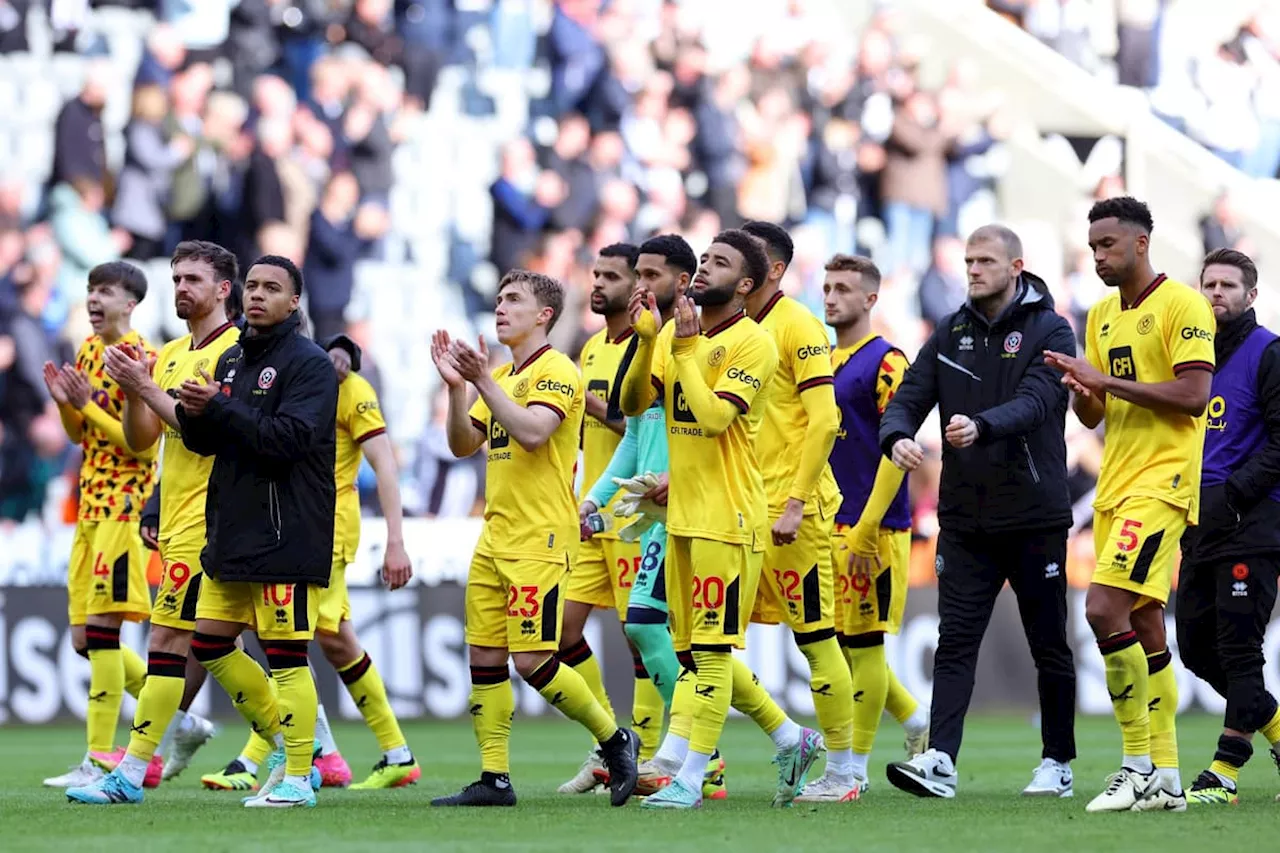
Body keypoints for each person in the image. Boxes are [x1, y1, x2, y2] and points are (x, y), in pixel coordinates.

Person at [618, 230, 823, 810]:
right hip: (679, 514)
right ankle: (791, 737)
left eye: (720, 263)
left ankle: (691, 777)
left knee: (707, 654)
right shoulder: (674, 337)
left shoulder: (751, 343)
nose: (704, 268)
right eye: (704, 258)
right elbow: (634, 405)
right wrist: (642, 343)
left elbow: (710, 419)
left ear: (748, 284)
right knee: (693, 656)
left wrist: (679, 350)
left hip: (729, 518)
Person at [880, 224, 1078, 799]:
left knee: (1048, 643)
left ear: (1017, 267)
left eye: (985, 261)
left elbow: (1041, 402)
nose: (973, 270)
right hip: (965, 519)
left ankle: (1058, 762)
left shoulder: (1051, 328)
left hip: (1034, 514)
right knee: (956, 640)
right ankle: (939, 759)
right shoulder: (951, 330)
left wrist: (982, 425)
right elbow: (909, 397)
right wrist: (896, 437)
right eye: (968, 260)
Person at [430, 269, 640, 808]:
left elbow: (531, 433)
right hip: (495, 535)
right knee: (484, 658)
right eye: (499, 299)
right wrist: (458, 389)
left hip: (540, 538)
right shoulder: (502, 374)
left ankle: (615, 740)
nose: (500, 308)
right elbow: (461, 444)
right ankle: (494, 778)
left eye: (513, 300)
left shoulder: (557, 372)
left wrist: (483, 383)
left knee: (532, 662)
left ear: (543, 315)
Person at [1046, 196, 1215, 813]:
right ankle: (1168, 777)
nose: (1098, 258)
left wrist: (1105, 381)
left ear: (1141, 243)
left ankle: (1136, 763)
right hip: (1117, 482)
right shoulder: (1101, 315)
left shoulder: (1183, 304)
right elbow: (1098, 413)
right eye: (1092, 248)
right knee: (1142, 622)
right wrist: (1079, 390)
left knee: (1099, 609)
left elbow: (1194, 394)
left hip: (1163, 482)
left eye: (1107, 246)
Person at [66, 241, 239, 805]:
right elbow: (139, 439)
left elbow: (173, 440)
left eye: (192, 278)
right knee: (179, 644)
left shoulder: (235, 353)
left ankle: (113, 764)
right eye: (177, 278)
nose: (182, 288)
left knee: (150, 638)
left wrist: (116, 397)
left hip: (185, 513)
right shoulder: (145, 355)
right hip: (136, 512)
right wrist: (77, 402)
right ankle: (289, 743)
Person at [213, 333, 420, 791]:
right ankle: (388, 752)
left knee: (288, 633)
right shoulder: (288, 378)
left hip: (327, 527)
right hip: (296, 522)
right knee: (331, 639)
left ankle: (266, 754)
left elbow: (384, 464)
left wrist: (396, 540)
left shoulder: (353, 390)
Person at [177, 254, 339, 809]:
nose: (257, 295)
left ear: (294, 302)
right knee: (210, 644)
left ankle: (297, 777)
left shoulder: (310, 363)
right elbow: (207, 443)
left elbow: (288, 439)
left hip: (285, 531)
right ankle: (294, 750)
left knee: (286, 654)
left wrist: (219, 408)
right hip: (234, 528)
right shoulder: (231, 359)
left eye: (272, 288)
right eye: (252, 285)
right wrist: (199, 413)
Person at [579, 234, 728, 799]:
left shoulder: (694, 343)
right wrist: (595, 498)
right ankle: (761, 741)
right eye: (635, 274)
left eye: (649, 275)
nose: (640, 285)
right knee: (673, 637)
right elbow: (634, 433)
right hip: (652, 509)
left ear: (682, 281)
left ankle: (697, 754)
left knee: (656, 628)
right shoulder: (650, 343)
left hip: (691, 507)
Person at [738, 220, 855, 802]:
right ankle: (784, 738)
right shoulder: (732, 331)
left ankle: (843, 773)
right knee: (698, 645)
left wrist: (795, 500)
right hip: (736, 509)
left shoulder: (799, 325)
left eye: (744, 257)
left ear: (772, 269)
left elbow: (826, 419)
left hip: (792, 513)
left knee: (814, 638)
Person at [812, 253, 929, 800]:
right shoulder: (821, 359)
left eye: (843, 289)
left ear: (870, 300)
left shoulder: (887, 362)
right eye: (827, 287)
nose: (831, 297)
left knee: (863, 647)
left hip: (872, 526)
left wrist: (866, 526)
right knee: (832, 643)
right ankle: (913, 720)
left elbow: (897, 446)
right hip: (824, 521)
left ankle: (853, 770)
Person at [41, 261, 159, 790]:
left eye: (104, 291)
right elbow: (77, 435)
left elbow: (143, 442)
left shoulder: (143, 357)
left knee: (103, 635)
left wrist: (87, 406)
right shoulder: (88, 352)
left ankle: (98, 756)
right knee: (83, 639)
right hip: (89, 506)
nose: (93, 299)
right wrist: (68, 405)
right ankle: (177, 719)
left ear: (129, 303)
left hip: (122, 508)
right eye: (90, 290)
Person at [559, 243, 664, 794]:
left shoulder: (655, 348)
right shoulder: (593, 347)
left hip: (632, 513)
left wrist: (600, 409)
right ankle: (611, 743)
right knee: (561, 630)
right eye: (595, 274)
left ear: (638, 289)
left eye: (611, 277)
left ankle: (659, 751)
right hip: (592, 510)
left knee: (639, 634)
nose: (597, 284)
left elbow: (648, 434)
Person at [1176, 248, 1280, 805]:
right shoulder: (1191, 358)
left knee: (1240, 649)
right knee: (1194, 646)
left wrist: (1235, 493)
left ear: (1250, 296)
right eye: (1208, 284)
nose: (1216, 293)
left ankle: (1225, 769)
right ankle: (1278, 728)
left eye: (1227, 286)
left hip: (1253, 524)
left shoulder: (1270, 353)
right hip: (1198, 524)